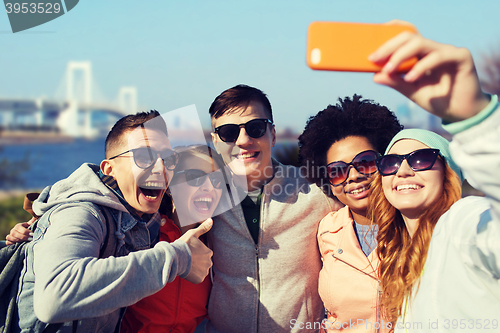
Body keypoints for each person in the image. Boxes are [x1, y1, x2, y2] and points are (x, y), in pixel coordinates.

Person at [14, 111, 213, 332]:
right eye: (144, 157)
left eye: (167, 159)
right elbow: (54, 297)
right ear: (109, 169)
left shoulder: (142, 217)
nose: (160, 168)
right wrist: (178, 258)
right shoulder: (82, 211)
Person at [368, 27, 500, 330]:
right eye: (390, 163)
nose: (404, 171)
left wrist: (474, 119)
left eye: (421, 159)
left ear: (448, 173)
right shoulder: (396, 257)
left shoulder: (465, 224)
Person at [207, 84, 342, 332]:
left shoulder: (314, 190)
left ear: (273, 134)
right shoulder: (203, 196)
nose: (244, 141)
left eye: (255, 128)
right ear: (215, 141)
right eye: (228, 133)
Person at [298, 95, 402, 332]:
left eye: (365, 162)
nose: (353, 176)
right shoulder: (326, 230)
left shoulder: (418, 224)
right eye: (337, 171)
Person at [119, 144, 226, 333]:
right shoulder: (138, 234)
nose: (209, 187)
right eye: (196, 177)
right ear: (169, 185)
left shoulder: (217, 246)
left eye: (217, 180)